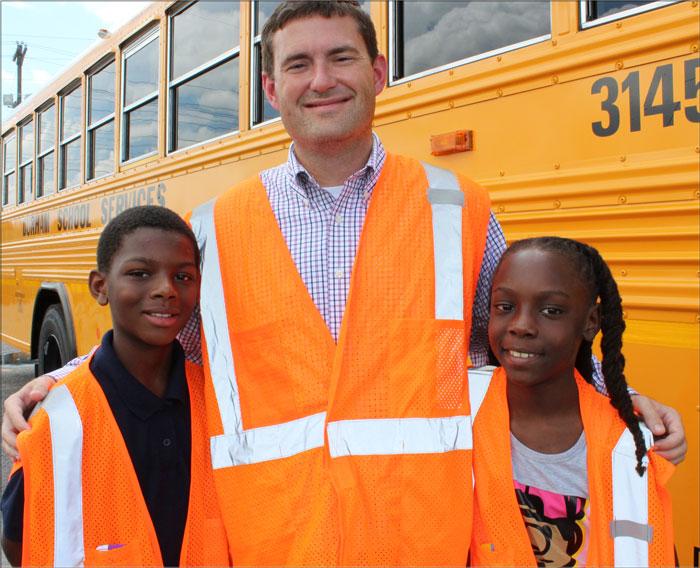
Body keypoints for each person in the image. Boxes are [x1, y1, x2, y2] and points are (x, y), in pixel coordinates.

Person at [1, 2, 686, 565]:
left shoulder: (457, 206)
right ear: (271, 90)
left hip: (424, 544)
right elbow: (161, 342)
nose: (320, 79)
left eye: (342, 57)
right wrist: (59, 383)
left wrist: (621, 393)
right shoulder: (212, 229)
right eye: (297, 64)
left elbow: (523, 340)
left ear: (379, 72)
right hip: (272, 542)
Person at [0, 207, 230, 567]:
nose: (165, 290)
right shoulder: (56, 420)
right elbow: (20, 543)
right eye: (140, 273)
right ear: (100, 286)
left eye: (183, 276)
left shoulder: (217, 400)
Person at [470, 237, 674, 566]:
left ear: (591, 321)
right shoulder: (458, 414)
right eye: (504, 307)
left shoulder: (627, 445)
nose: (521, 326)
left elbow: (656, 548)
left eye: (551, 311)